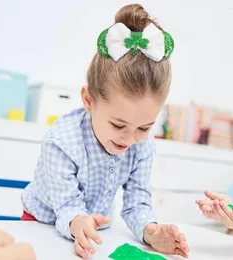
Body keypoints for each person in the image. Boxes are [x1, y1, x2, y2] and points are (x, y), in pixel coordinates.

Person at [21, 4, 189, 259]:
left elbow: (137, 202)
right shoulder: (62, 142)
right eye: (118, 125)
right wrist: (77, 221)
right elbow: (66, 206)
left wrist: (150, 230)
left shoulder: (142, 145)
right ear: (88, 100)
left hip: (95, 232)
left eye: (144, 127)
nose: (130, 138)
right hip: (42, 223)